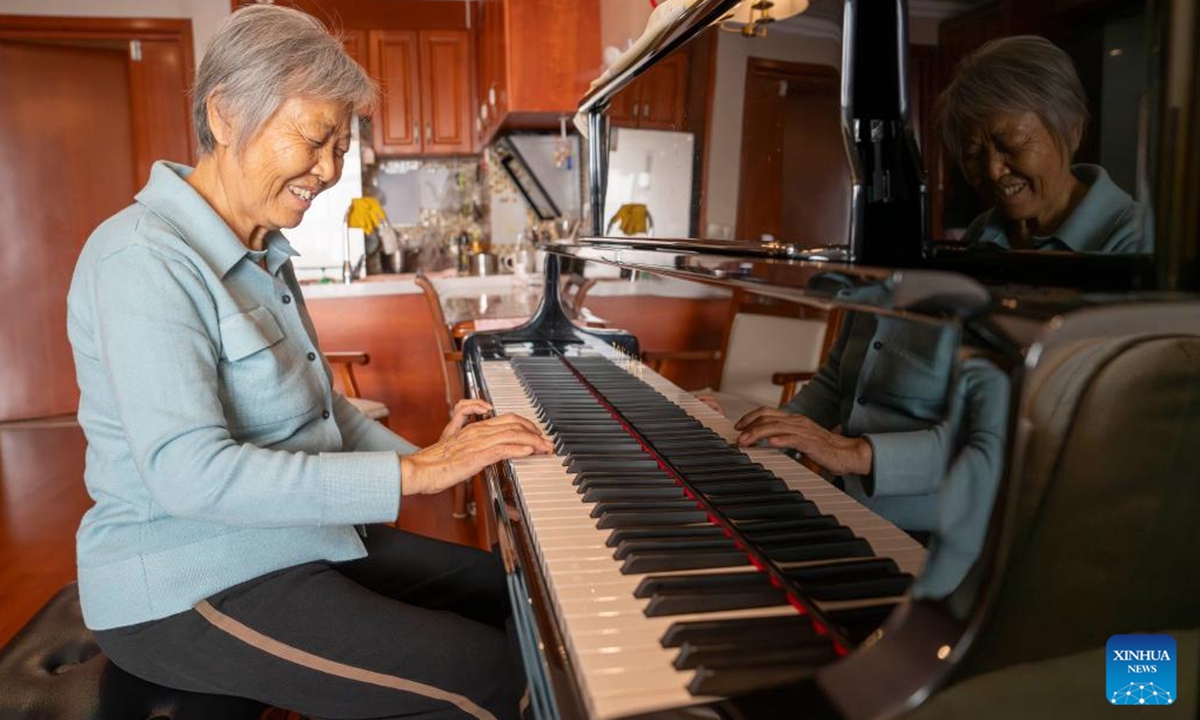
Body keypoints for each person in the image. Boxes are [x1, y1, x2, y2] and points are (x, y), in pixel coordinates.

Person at [65, 6, 551, 719]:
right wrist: (412, 476)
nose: (327, 171)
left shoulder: (261, 250)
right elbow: (188, 475)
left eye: (340, 146)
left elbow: (322, 409)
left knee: (518, 592)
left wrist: (431, 452)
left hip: (286, 540)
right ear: (226, 115)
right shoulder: (143, 257)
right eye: (315, 140)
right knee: (483, 676)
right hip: (183, 579)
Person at [937, 35, 1149, 253]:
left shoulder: (1135, 238)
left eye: (1012, 144)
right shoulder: (981, 232)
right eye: (973, 153)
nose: (993, 171)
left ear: (1073, 131)